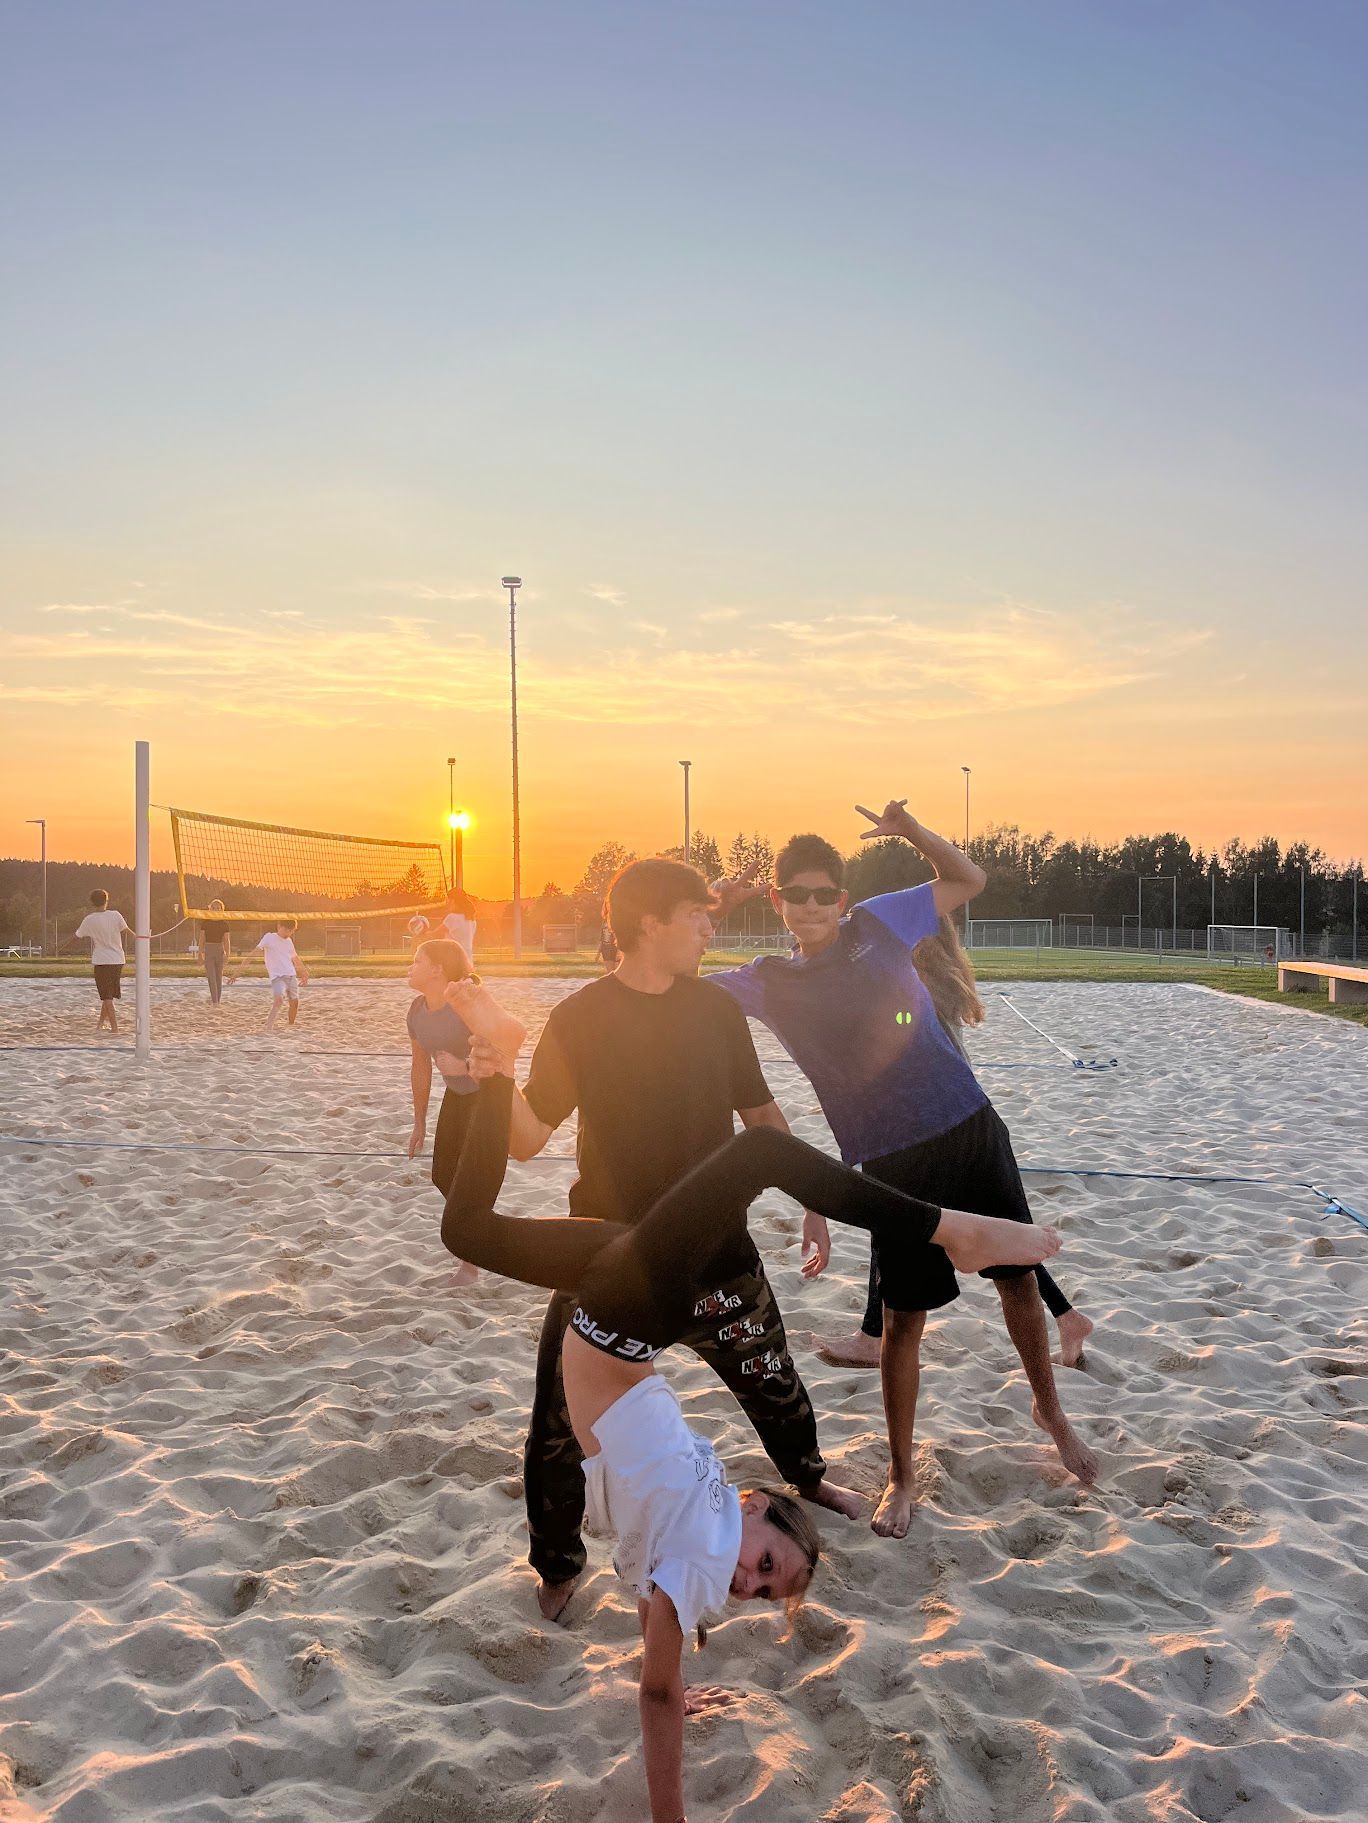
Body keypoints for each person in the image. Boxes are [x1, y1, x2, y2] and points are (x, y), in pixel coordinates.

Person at [440, 977, 1061, 1823]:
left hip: (615, 1287)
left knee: (465, 1227)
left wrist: (671, 1668)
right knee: (759, 1155)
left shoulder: (684, 1555)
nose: (748, 1581)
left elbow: (660, 1648)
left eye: (763, 1593)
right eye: (768, 1565)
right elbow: (656, 1696)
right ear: (754, 1505)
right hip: (626, 1307)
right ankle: (951, 1228)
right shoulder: (700, 1552)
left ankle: (491, 1067)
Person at [710, 803, 1098, 1539]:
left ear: (842, 898)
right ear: (779, 901)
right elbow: (673, 993)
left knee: (1018, 1282)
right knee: (902, 1321)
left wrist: (913, 832)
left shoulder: (878, 923)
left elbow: (968, 878)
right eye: (798, 894)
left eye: (825, 894)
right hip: (892, 1160)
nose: (813, 906)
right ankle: (901, 1475)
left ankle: (1050, 1409)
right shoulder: (767, 980)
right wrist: (710, 906)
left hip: (969, 1125)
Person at [498, 857, 862, 1625]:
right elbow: (526, 1139)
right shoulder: (578, 1017)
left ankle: (808, 1476)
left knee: (773, 1377)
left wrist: (814, 1200)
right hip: (609, 1262)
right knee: (556, 1426)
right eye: (696, 913)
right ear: (650, 922)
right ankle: (558, 1566)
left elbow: (762, 1117)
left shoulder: (715, 1010)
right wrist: (492, 1074)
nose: (708, 925)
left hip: (715, 1252)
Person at [814, 913, 1094, 1374]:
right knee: (989, 1238)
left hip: (936, 1126)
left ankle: (871, 1337)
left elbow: (894, 1026)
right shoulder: (940, 976)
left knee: (928, 1232)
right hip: (949, 1122)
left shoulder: (920, 983)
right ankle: (1066, 1316)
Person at [405, 936, 480, 1286]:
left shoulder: (465, 1003)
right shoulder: (417, 1010)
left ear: (437, 969)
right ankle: (479, 1235)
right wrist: (419, 1122)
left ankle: (471, 1263)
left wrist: (465, 1066)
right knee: (443, 1174)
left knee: (470, 1178)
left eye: (417, 961)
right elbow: (420, 1066)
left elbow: (501, 1049)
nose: (410, 967)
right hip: (458, 1095)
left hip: (490, 1096)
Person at [73, 889, 146, 1034]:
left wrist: (59, 946)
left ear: (92, 902)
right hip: (118, 960)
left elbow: (76, 936)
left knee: (107, 996)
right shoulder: (115, 915)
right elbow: (129, 933)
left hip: (102, 961)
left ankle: (114, 1028)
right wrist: (142, 938)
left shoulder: (89, 919)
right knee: (108, 995)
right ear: (106, 900)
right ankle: (100, 1024)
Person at [230, 918, 309, 1031]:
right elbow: (252, 955)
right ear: (279, 926)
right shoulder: (269, 937)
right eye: (286, 930)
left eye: (291, 931)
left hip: (290, 975)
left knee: (294, 1002)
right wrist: (236, 973)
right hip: (277, 977)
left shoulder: (289, 941)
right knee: (279, 1000)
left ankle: (291, 1026)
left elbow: (295, 958)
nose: (288, 933)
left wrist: (304, 972)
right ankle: (269, 1027)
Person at [198, 899, 232, 1006]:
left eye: (218, 908)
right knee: (211, 977)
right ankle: (215, 1001)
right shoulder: (205, 923)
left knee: (218, 977)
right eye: (213, 907)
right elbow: (201, 939)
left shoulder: (224, 924)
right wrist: (200, 954)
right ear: (210, 909)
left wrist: (227, 954)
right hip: (209, 949)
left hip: (219, 950)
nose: (215, 909)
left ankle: (217, 1001)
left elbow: (226, 940)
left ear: (222, 909)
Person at [441, 890, 478, 961]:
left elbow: (435, 934)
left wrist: (423, 932)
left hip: (453, 958)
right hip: (468, 960)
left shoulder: (452, 917)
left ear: (453, 901)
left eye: (448, 899)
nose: (446, 902)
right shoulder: (472, 920)